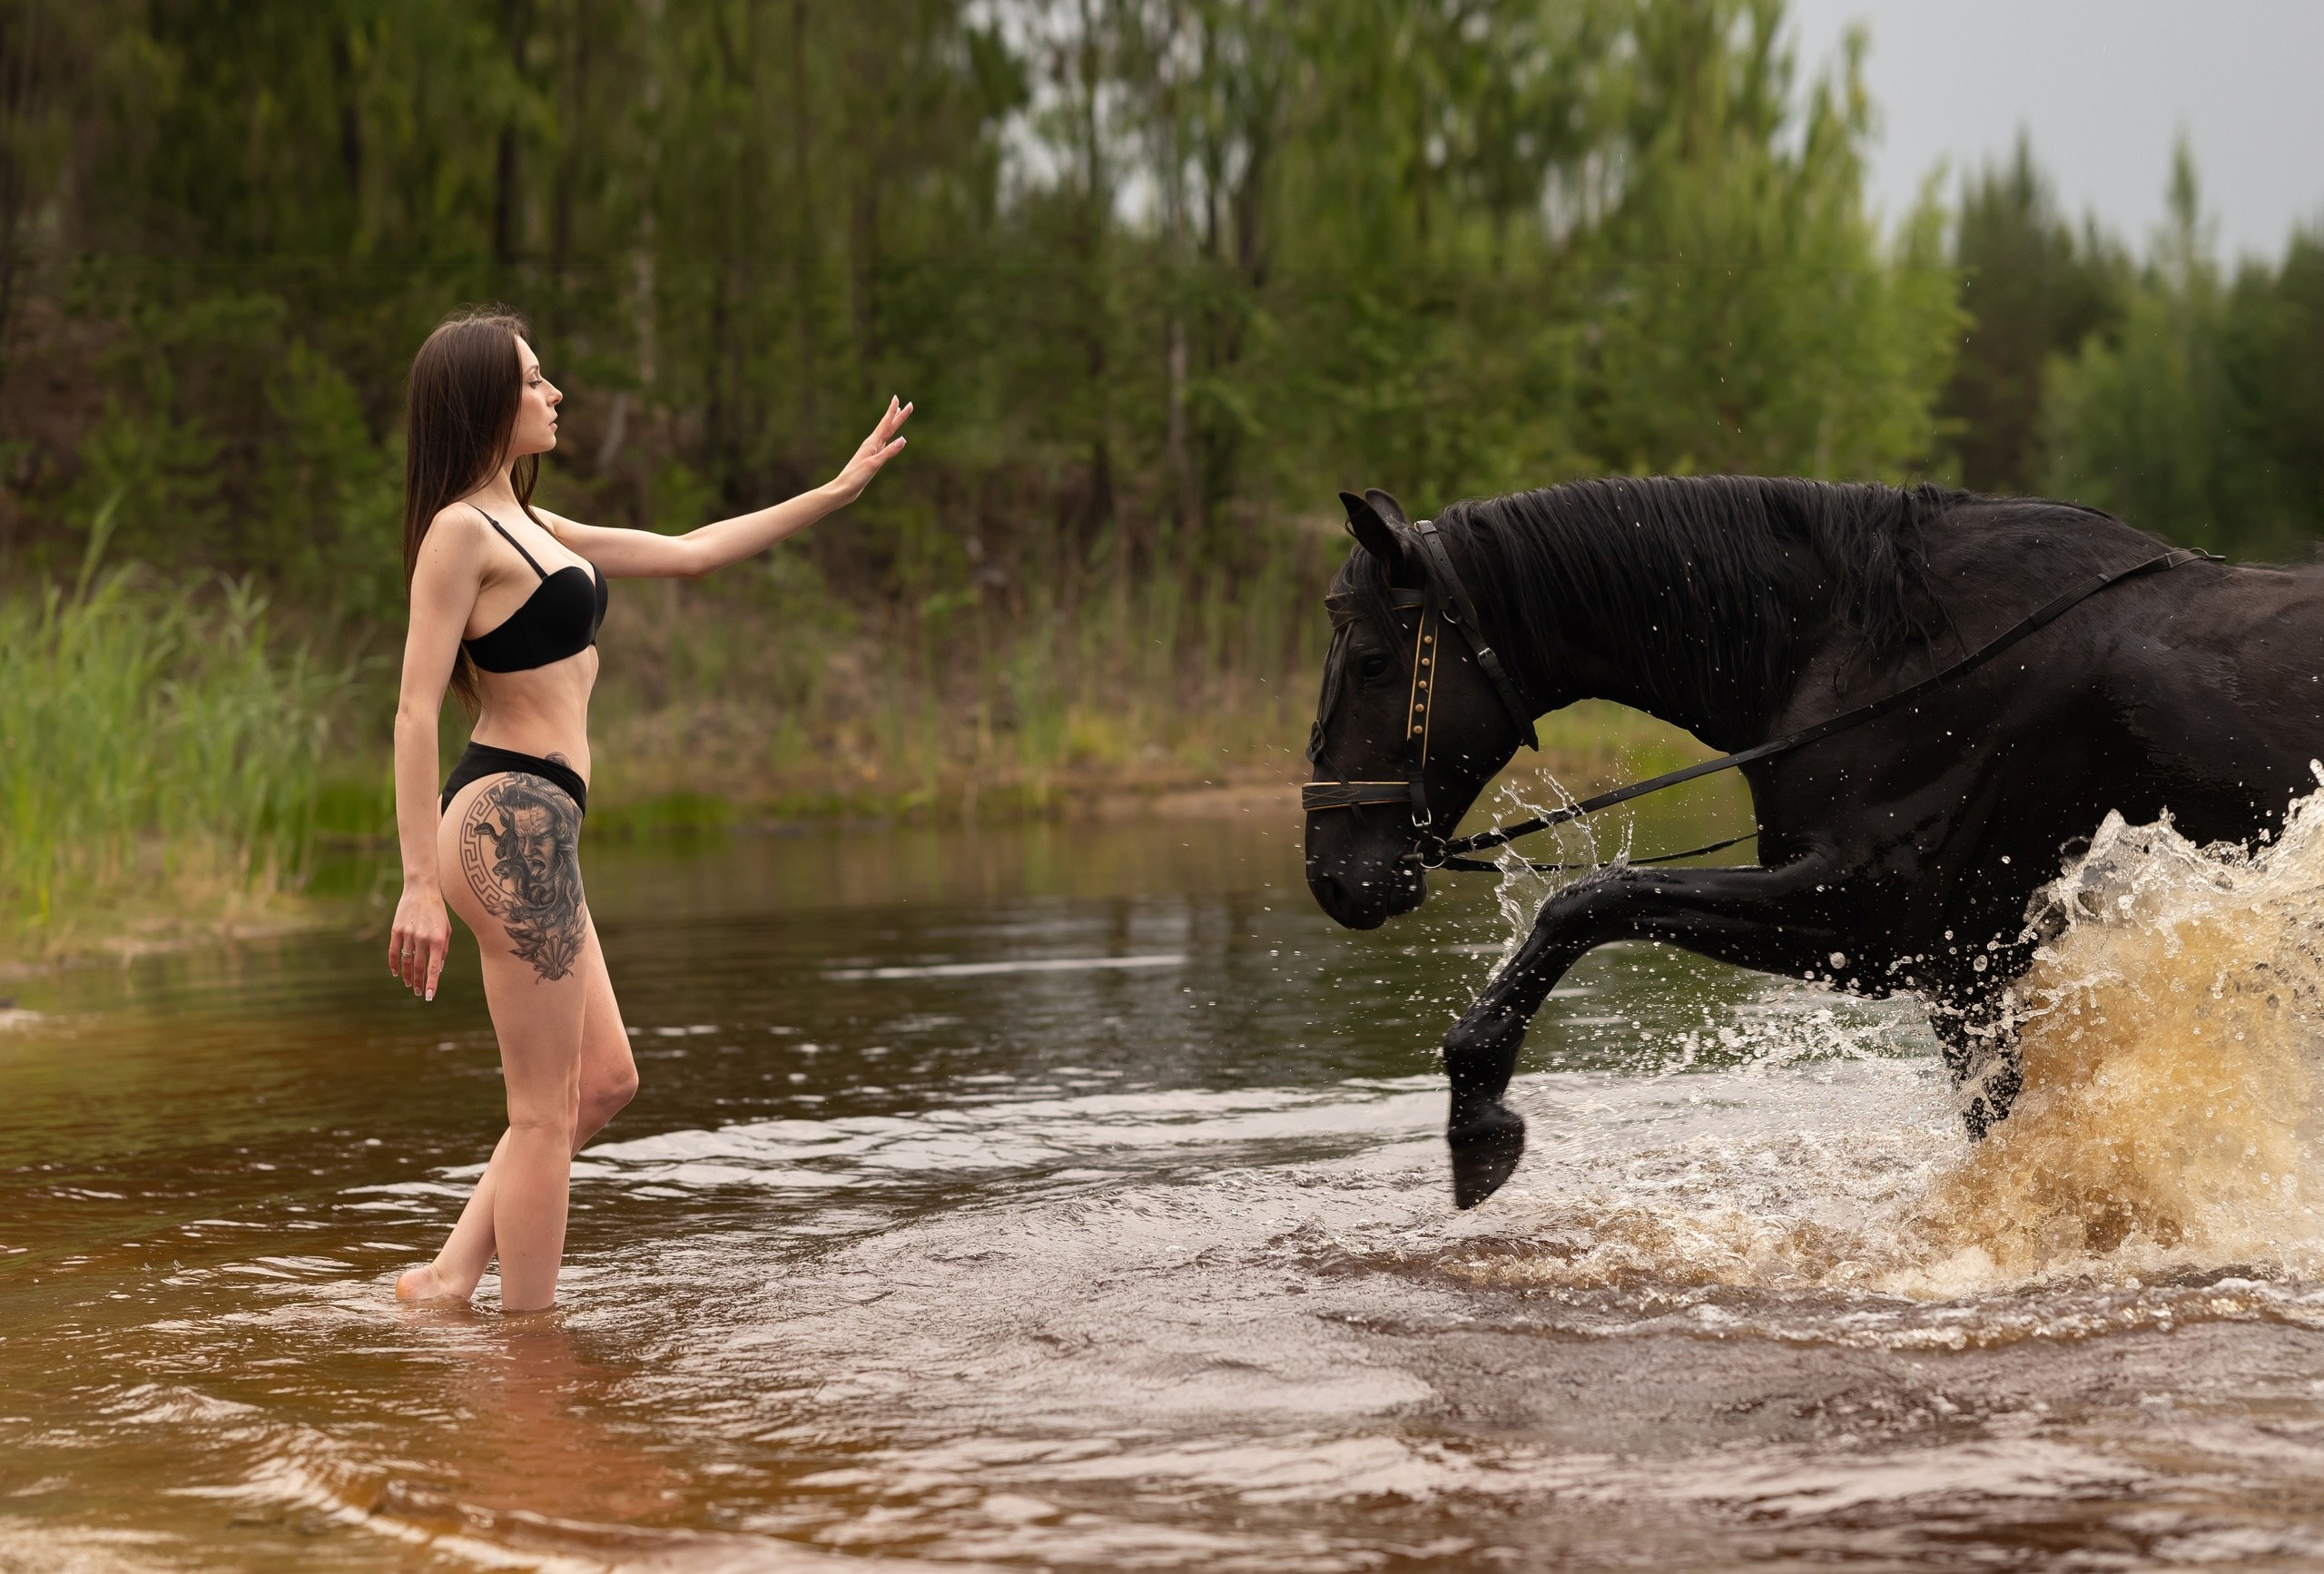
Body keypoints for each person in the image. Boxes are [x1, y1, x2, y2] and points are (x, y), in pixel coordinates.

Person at [387, 306, 910, 1311]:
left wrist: (838, 490)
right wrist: (415, 883)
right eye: (534, 380)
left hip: (540, 827)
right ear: (485, 402)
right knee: (543, 1113)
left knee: (603, 1084)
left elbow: (692, 551)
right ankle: (533, 1364)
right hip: (506, 825)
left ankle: (449, 1281)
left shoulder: (530, 526)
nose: (553, 393)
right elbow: (413, 709)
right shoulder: (458, 532)